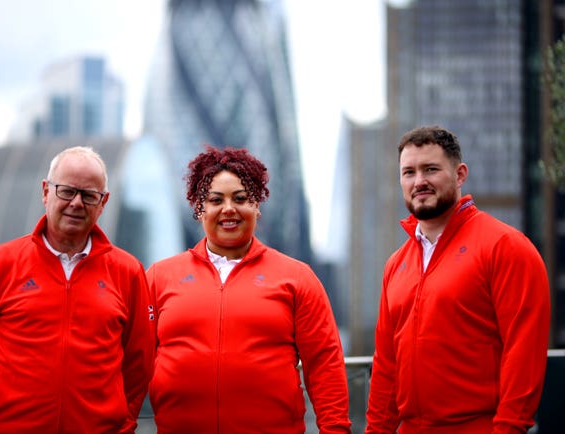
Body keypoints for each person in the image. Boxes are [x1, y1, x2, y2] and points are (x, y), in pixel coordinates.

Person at [0, 146, 155, 433]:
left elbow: (140, 364)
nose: (76, 203)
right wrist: (4, 409)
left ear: (103, 202)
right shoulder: (0, 264)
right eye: (67, 191)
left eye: (89, 195)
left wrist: (122, 421)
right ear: (46, 192)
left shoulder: (127, 271)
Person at [146, 145, 352, 433]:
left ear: (257, 205)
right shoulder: (160, 276)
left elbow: (324, 366)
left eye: (240, 198)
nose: (229, 208)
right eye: (216, 199)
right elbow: (133, 362)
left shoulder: (296, 277)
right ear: (199, 209)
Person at [365, 126, 551, 433]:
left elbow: (524, 355)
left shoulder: (505, 247)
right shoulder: (395, 265)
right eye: (409, 172)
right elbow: (387, 366)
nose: (419, 181)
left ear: (460, 174)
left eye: (431, 169)